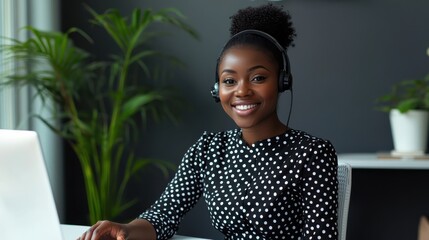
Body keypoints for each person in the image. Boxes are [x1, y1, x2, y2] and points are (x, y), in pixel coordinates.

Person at [78, 3, 338, 240]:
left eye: (258, 78)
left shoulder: (312, 154)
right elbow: (163, 215)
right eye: (229, 80)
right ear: (217, 90)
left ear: (282, 82)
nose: (242, 91)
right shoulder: (208, 150)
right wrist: (125, 229)